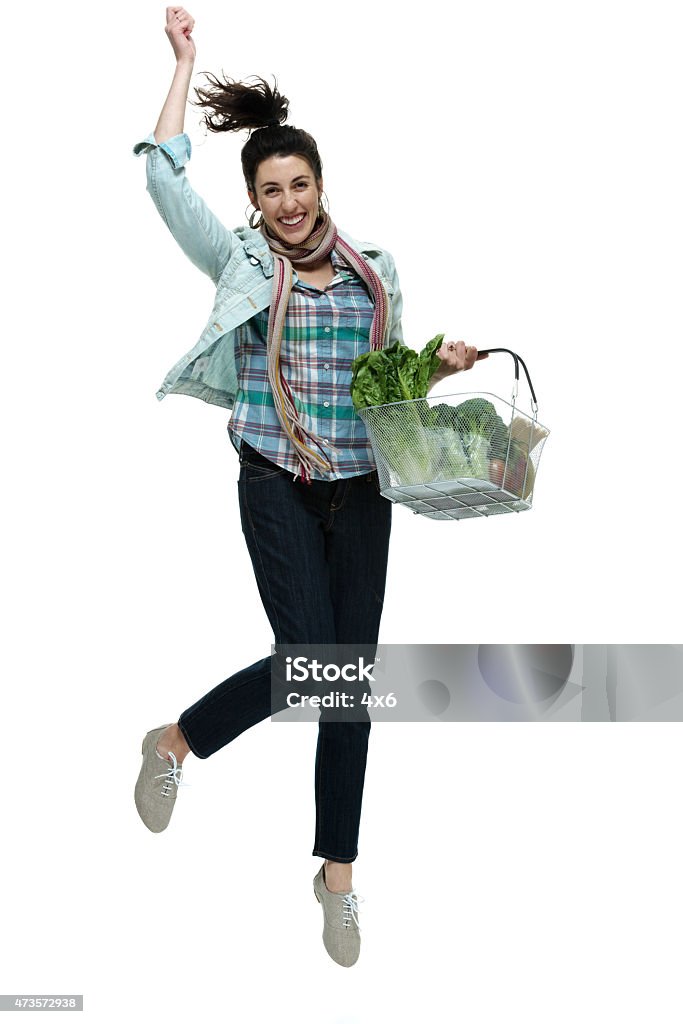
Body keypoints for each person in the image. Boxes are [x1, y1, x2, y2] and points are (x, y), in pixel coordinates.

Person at [133, 6, 483, 968]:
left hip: (361, 490)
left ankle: (337, 875)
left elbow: (388, 385)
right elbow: (164, 180)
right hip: (275, 480)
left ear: (322, 186)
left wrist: (438, 367)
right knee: (309, 662)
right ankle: (175, 742)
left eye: (299, 185)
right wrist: (184, 64)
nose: (287, 203)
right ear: (254, 200)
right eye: (270, 189)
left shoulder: (378, 276)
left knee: (347, 689)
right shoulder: (242, 262)